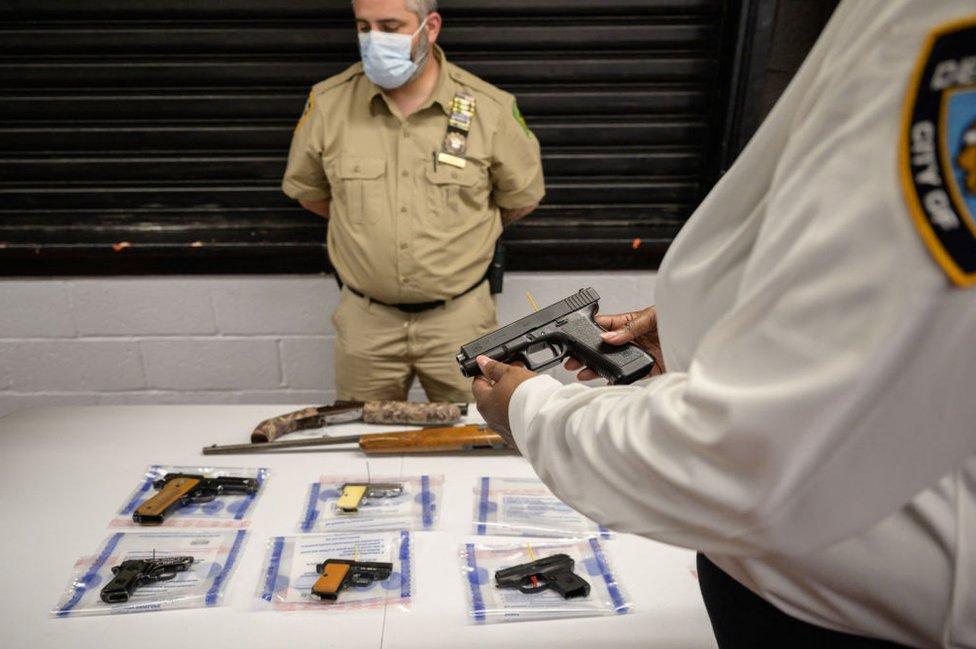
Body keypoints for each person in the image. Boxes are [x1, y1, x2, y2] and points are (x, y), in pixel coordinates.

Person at [472, 1, 976, 647]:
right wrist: (698, 323)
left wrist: (530, 407)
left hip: (857, 619)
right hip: (808, 578)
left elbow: (744, 454)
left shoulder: (941, 28)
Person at [282, 0, 544, 403]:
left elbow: (519, 199)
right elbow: (311, 193)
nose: (374, 39)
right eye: (364, 27)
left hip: (460, 320)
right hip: (366, 323)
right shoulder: (329, 103)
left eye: (390, 25)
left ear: (430, 27)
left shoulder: (490, 108)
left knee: (474, 443)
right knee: (361, 446)